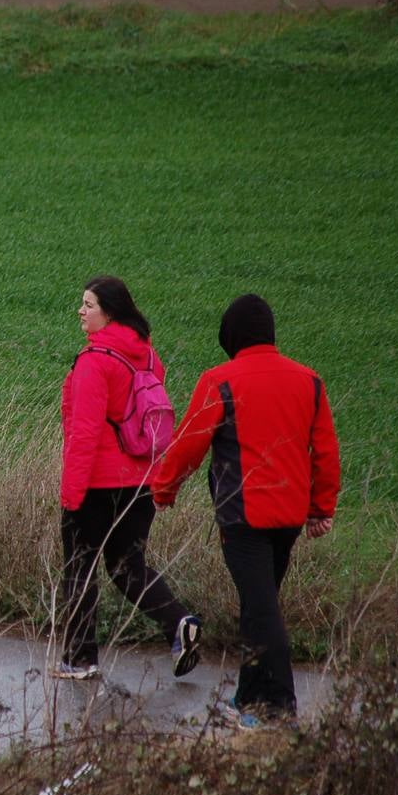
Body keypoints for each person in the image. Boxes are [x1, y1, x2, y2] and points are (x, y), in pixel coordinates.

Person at [153, 294, 340, 729]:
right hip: (290, 516)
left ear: (231, 336)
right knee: (260, 605)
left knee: (261, 610)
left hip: (243, 517)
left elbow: (188, 443)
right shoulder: (308, 381)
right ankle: (247, 698)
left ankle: (278, 706)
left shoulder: (220, 380)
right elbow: (326, 452)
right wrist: (321, 506)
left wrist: (164, 489)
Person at [56, 276, 201, 681]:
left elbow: (84, 433)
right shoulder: (148, 358)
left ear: (110, 313)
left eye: (88, 305)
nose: (81, 311)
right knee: (127, 566)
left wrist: (72, 493)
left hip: (97, 484)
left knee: (80, 566)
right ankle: (178, 622)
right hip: (141, 480)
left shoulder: (93, 362)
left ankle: (80, 659)